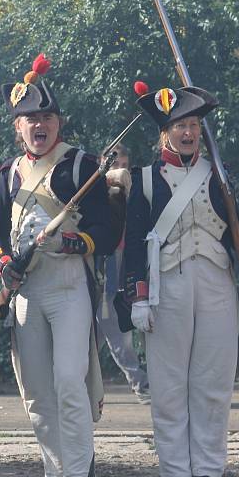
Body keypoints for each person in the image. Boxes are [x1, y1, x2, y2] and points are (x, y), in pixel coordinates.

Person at [124, 82, 239, 477]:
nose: (188, 133)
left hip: (217, 282)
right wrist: (137, 295)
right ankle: (177, 476)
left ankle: (206, 471)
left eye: (194, 125)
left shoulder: (218, 174)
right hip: (168, 285)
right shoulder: (145, 180)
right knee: (168, 386)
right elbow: (133, 243)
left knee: (213, 382)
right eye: (180, 125)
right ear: (164, 133)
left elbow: (234, 227)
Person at [0, 53, 114, 477]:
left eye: (47, 117)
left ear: (58, 122)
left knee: (68, 381)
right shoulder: (7, 175)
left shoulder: (81, 165)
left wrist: (75, 243)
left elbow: (107, 229)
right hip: (27, 291)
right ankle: (53, 474)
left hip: (69, 285)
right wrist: (5, 265)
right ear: (17, 127)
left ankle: (78, 476)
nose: (40, 126)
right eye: (30, 119)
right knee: (37, 390)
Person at [95, 143, 151, 404]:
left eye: (123, 165)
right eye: (115, 165)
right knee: (109, 329)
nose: (120, 170)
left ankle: (140, 383)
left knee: (113, 329)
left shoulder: (136, 189)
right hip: (104, 265)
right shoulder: (95, 189)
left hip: (130, 261)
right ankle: (140, 383)